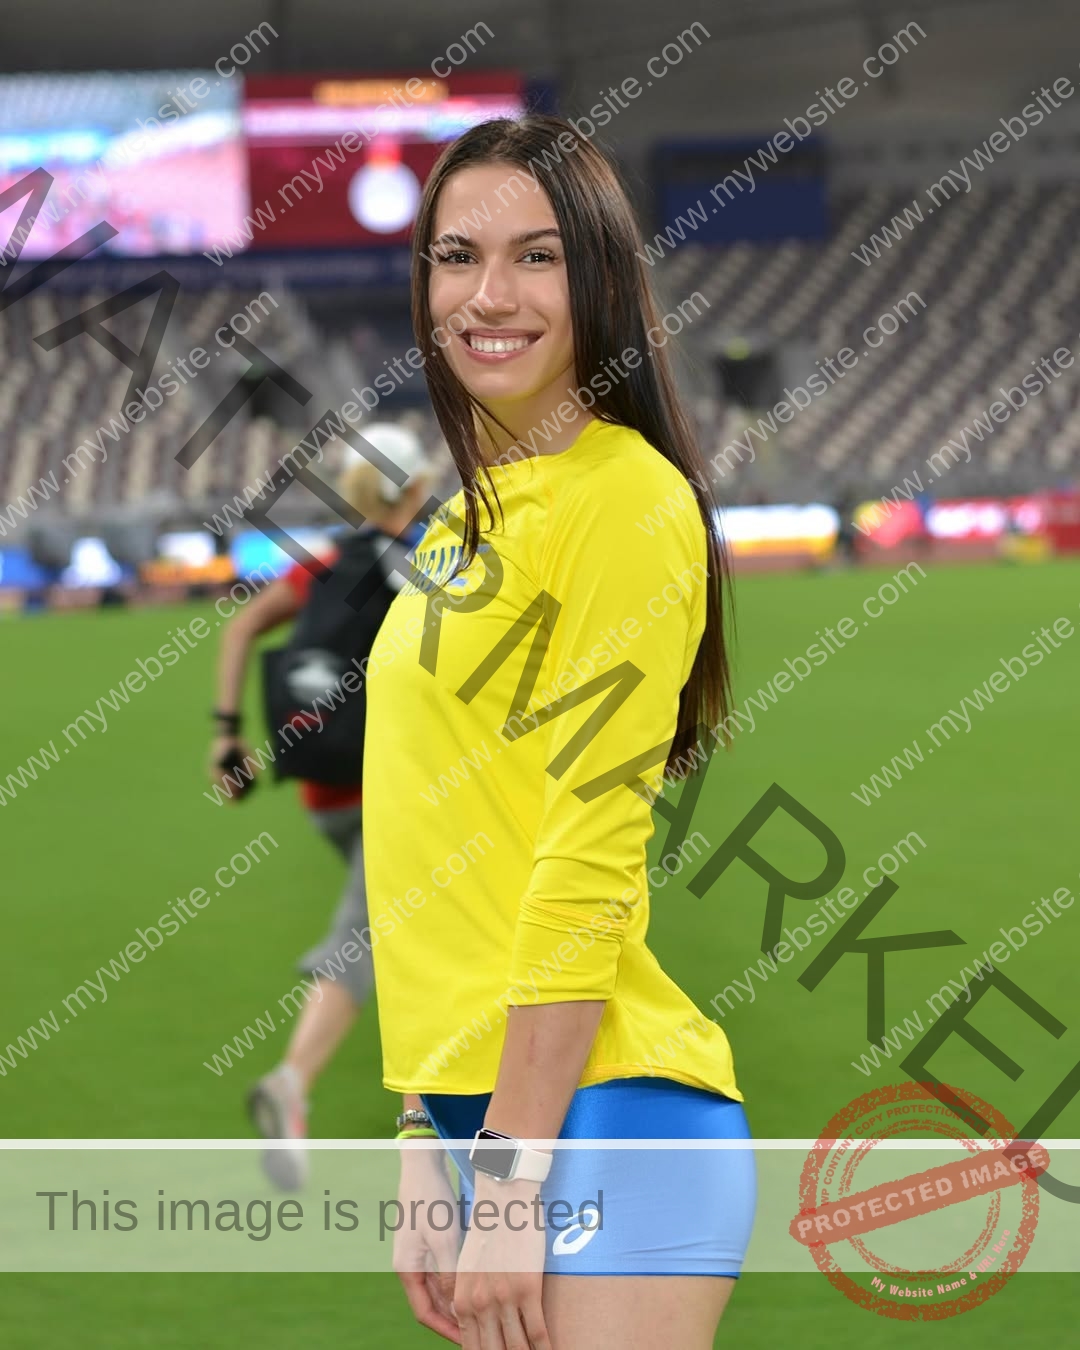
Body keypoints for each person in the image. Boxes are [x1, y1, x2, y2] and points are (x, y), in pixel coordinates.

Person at [361, 116, 756, 1350]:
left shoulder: (626, 498)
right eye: (456, 255)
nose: (491, 294)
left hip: (606, 1118)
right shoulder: (454, 530)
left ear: (599, 282)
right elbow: (436, 846)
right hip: (495, 1116)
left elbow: (586, 847)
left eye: (537, 257)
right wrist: (427, 1139)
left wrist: (515, 1180)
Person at [208, 423, 435, 1190]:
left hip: (322, 791)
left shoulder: (325, 567)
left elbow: (241, 627)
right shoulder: (423, 567)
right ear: (414, 485)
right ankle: (292, 1083)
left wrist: (226, 735)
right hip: (399, 793)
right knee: (367, 936)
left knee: (416, 937)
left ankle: (428, 1105)